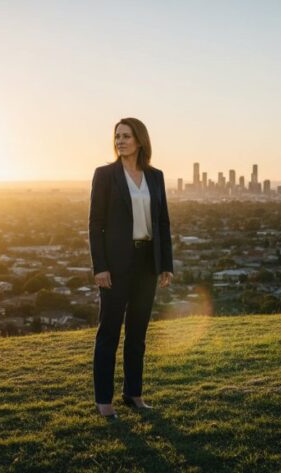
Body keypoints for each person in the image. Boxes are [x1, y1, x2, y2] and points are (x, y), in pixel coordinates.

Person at [89, 117, 174, 419]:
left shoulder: (155, 176)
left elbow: (162, 221)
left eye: (126, 136)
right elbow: (96, 225)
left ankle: (133, 394)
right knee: (109, 333)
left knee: (138, 333)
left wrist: (165, 264)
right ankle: (104, 402)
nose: (120, 141)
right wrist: (100, 267)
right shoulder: (105, 175)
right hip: (115, 265)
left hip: (146, 264)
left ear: (140, 140)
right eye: (117, 136)